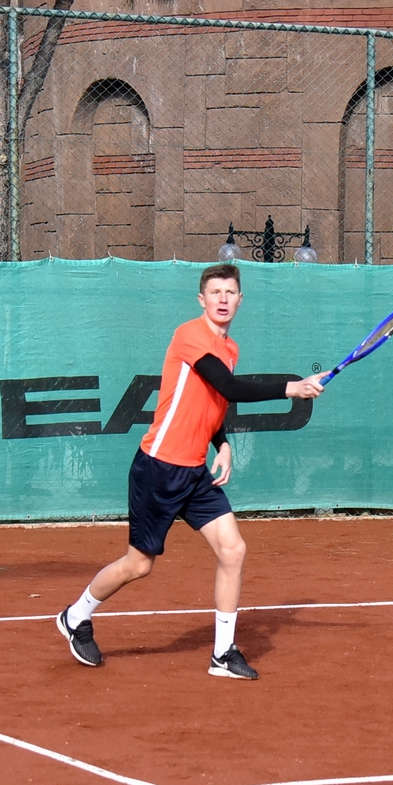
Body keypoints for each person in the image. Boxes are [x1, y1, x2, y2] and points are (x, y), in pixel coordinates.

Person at [57, 262, 325, 679]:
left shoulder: (230, 348)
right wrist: (291, 388)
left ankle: (222, 654)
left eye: (230, 292)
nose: (223, 299)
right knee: (138, 565)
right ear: (202, 299)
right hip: (159, 468)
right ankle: (76, 616)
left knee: (233, 550)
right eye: (215, 292)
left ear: (240, 300)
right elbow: (228, 387)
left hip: (195, 471)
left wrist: (223, 444)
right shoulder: (189, 335)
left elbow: (212, 402)